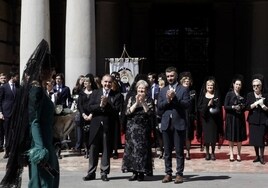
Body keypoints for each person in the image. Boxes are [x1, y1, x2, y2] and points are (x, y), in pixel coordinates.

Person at [0, 40, 59, 188]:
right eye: (52, 69)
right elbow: (34, 120)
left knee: (48, 181)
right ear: (44, 70)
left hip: (47, 141)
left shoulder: (39, 88)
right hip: (41, 144)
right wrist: (39, 149)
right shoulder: (36, 90)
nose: (54, 73)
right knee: (42, 183)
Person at [83, 74, 122, 182]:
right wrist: (100, 105)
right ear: (101, 82)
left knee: (106, 149)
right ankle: (91, 172)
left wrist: (106, 104)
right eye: (105, 82)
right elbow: (89, 107)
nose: (107, 84)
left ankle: (104, 172)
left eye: (109, 82)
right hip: (95, 125)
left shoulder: (117, 95)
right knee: (93, 149)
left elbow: (116, 110)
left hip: (108, 125)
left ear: (112, 83)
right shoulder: (95, 93)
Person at [157, 66, 190, 184]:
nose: (170, 78)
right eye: (168, 76)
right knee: (167, 151)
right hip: (166, 123)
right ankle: (168, 173)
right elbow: (159, 108)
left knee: (179, 151)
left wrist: (174, 98)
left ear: (176, 75)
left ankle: (179, 174)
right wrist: (167, 100)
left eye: (172, 76)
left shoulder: (183, 89)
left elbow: (186, 105)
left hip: (179, 123)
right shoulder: (162, 90)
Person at [121, 80, 155, 181]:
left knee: (142, 151)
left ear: (146, 91)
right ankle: (134, 172)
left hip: (143, 128)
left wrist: (143, 102)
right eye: (139, 89)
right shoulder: (131, 98)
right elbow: (127, 112)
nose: (140, 91)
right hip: (132, 128)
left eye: (143, 90)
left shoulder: (149, 100)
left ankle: (141, 172)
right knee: (132, 150)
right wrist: (136, 103)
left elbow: (150, 113)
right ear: (136, 89)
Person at [197, 77, 223, 161]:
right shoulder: (203, 96)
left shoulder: (216, 95)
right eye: (208, 85)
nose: (210, 87)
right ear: (206, 86)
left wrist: (214, 104)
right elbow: (199, 108)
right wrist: (208, 105)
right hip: (206, 119)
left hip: (214, 119)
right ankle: (207, 153)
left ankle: (213, 153)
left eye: (211, 85)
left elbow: (219, 107)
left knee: (213, 138)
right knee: (207, 138)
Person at [246, 74, 268, 164]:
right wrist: (255, 103)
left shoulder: (266, 95)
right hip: (253, 120)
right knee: (255, 139)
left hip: (262, 120)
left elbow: (267, 109)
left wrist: (262, 105)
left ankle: (262, 157)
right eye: (254, 86)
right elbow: (247, 107)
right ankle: (257, 156)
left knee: (261, 139)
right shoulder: (250, 95)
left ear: (261, 86)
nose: (256, 87)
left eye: (258, 85)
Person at [224, 75, 247, 162]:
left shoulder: (243, 94)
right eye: (236, 84)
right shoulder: (229, 94)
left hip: (240, 117)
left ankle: (239, 154)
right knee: (231, 136)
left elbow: (245, 106)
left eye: (239, 84)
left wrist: (242, 107)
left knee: (239, 137)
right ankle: (231, 154)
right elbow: (226, 106)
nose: (238, 86)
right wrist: (234, 107)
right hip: (231, 118)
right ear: (233, 84)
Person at [0, 69, 20, 158]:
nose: (18, 78)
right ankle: (7, 150)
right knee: (7, 133)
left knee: (15, 132)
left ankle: (14, 149)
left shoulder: (18, 87)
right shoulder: (4, 87)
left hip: (16, 114)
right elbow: (0, 101)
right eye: (16, 77)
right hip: (6, 113)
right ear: (12, 77)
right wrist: (0, 112)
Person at [77, 75, 98, 158]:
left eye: (87, 81)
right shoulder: (81, 93)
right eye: (84, 81)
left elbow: (96, 104)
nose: (85, 83)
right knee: (84, 133)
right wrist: (83, 114)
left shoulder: (95, 92)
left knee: (91, 133)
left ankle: (91, 149)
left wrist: (91, 115)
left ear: (91, 83)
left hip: (92, 115)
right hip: (84, 116)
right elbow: (80, 105)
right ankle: (86, 149)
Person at [179, 72, 197, 160]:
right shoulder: (179, 91)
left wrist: (194, 115)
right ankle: (180, 152)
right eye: (185, 81)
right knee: (180, 135)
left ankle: (188, 152)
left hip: (189, 115)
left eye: (188, 81)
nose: (187, 82)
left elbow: (195, 104)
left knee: (188, 135)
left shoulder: (192, 92)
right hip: (180, 115)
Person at [0, 73, 7, 153]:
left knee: (5, 130)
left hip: (6, 112)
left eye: (4, 78)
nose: (3, 79)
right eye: (1, 78)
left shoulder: (7, 87)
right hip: (1, 111)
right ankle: (1, 145)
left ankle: (4, 145)